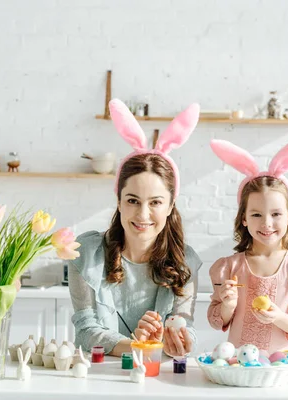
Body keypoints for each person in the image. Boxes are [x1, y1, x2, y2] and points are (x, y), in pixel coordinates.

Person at [69, 99, 202, 357]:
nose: (143, 214)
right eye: (132, 201)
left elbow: (185, 323)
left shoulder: (185, 262)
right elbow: (86, 331)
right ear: (118, 201)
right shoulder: (85, 254)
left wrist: (182, 341)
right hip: (101, 379)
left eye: (155, 202)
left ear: (170, 205)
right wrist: (135, 346)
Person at [207, 131, 288, 354]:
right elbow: (215, 320)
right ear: (244, 219)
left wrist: (278, 317)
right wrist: (228, 306)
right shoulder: (229, 268)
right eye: (257, 215)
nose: (267, 223)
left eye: (276, 214)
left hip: (282, 368)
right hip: (238, 367)